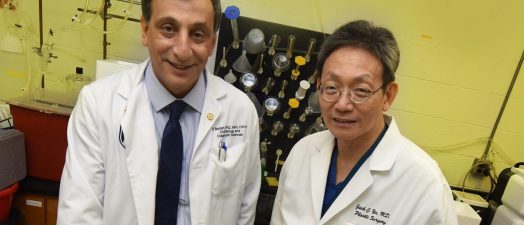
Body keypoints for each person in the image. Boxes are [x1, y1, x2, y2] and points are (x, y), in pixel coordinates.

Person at [57, 0, 261, 224]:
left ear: (212, 43)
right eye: (168, 28)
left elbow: (245, 210)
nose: (182, 51)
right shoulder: (97, 104)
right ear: (145, 30)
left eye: (198, 34)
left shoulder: (241, 112)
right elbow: (78, 216)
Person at [270, 20, 458, 225]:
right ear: (319, 87)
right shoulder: (302, 152)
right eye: (331, 87)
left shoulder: (424, 183)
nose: (342, 104)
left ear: (388, 95)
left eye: (361, 90)